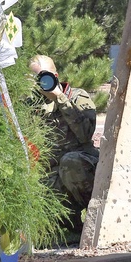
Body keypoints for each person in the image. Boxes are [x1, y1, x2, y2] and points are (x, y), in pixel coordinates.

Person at [29, 55, 99, 240]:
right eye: (35, 79)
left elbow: (85, 133)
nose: (41, 83)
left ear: (56, 75)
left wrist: (59, 98)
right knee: (43, 180)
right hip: (54, 175)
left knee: (70, 163)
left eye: (44, 76)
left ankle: (96, 217)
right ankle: (72, 229)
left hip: (83, 168)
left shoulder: (77, 96)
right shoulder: (31, 106)